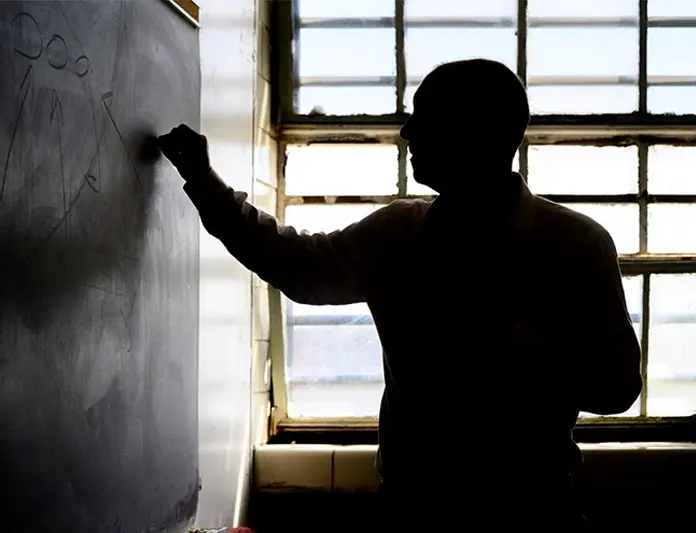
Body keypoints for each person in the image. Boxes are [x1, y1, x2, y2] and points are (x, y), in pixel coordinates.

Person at [159, 59, 642, 527]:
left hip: (528, 507)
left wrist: (511, 333)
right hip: (421, 507)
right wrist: (206, 186)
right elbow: (299, 267)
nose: (407, 132)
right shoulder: (399, 232)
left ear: (477, 131)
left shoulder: (576, 244)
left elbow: (618, 388)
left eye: (425, 116)